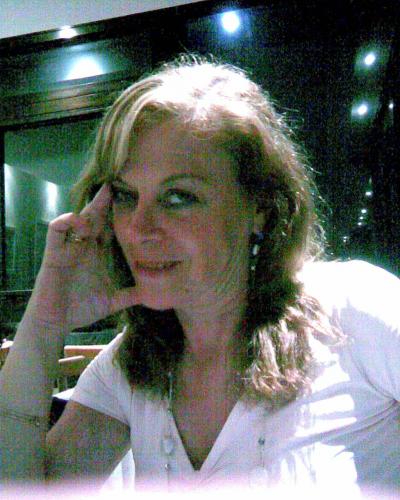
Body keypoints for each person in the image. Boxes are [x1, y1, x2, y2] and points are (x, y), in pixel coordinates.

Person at [0, 56, 399, 495]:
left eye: (178, 197)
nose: (138, 229)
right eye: (127, 196)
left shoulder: (354, 314)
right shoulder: (130, 366)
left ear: (260, 207)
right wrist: (44, 324)